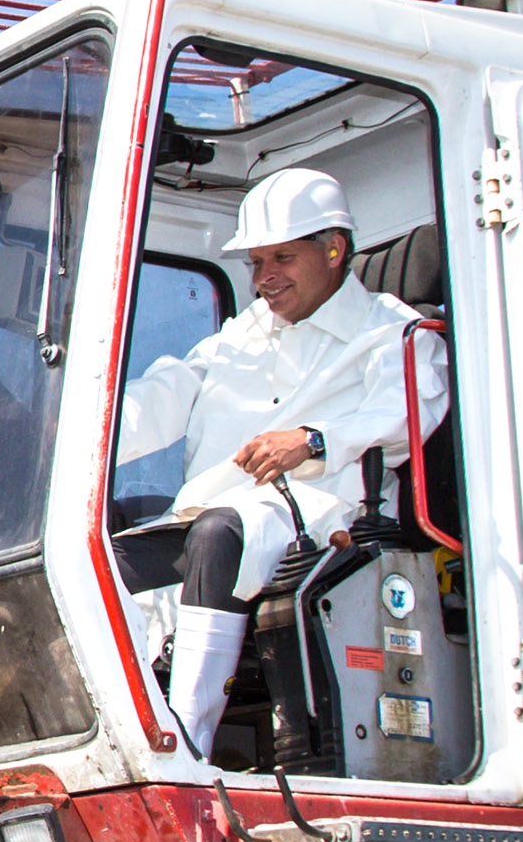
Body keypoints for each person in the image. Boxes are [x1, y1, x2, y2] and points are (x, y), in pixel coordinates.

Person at [114, 167, 449, 761]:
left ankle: (184, 749)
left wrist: (314, 440)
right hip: (225, 511)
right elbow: (172, 390)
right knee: (105, 550)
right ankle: (123, 732)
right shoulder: (242, 334)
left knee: (219, 536)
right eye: (256, 262)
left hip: (328, 513)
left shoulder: (393, 331)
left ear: (334, 250)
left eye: (282, 259)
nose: (266, 278)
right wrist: (95, 430)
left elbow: (409, 412)